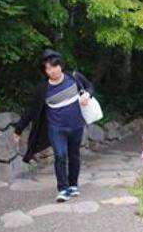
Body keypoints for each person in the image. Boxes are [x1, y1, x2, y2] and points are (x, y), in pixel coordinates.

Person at [13, 49, 94, 202]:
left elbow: (90, 87)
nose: (52, 70)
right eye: (48, 68)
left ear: (60, 66)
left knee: (74, 156)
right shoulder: (43, 88)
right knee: (60, 155)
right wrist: (19, 129)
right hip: (56, 129)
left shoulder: (74, 77)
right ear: (45, 71)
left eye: (54, 66)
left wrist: (87, 95)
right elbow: (32, 109)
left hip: (76, 126)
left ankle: (73, 185)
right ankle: (63, 189)